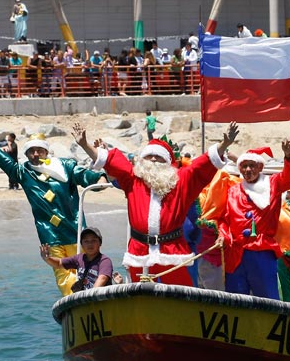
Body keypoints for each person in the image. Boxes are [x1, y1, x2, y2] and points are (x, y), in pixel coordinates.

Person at [72, 121, 238, 286]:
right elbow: (109, 160)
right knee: (140, 295)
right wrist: (85, 145)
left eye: (158, 156)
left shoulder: (182, 181)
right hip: (139, 251)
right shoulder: (132, 179)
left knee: (179, 296)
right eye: (149, 156)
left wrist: (224, 144)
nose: (153, 159)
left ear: (167, 162)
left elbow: (202, 164)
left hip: (172, 251)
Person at [0, 120, 107, 296]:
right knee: (63, 276)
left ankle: (96, 298)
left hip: (76, 231)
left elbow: (84, 175)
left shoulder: (65, 166)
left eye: (39, 150)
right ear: (27, 154)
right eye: (31, 151)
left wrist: (99, 179)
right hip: (50, 235)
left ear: (47, 151)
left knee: (90, 269)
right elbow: (1, 159)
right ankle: (75, 301)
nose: (36, 154)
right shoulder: (24, 173)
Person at [217, 143, 290, 299]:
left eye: (252, 166)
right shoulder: (233, 190)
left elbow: (289, 179)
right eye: (244, 166)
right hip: (236, 254)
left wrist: (288, 156)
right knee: (235, 300)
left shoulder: (272, 184)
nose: (248, 170)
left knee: (267, 299)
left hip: (262, 252)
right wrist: (223, 235)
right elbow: (224, 220)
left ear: (260, 167)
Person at [39, 227, 113, 291]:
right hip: (85, 300)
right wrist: (47, 258)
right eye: (86, 241)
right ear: (81, 244)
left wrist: (90, 296)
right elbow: (58, 263)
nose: (90, 244)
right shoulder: (78, 258)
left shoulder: (104, 261)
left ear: (100, 243)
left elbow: (102, 278)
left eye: (93, 241)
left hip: (100, 299)